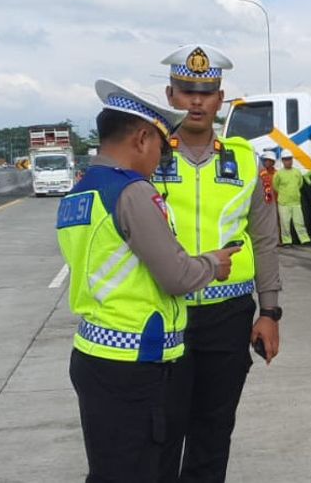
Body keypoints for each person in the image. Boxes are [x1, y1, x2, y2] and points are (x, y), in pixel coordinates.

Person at [58, 79, 240, 483]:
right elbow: (176, 275)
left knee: (111, 470)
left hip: (96, 354)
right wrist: (212, 263)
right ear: (142, 139)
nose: (161, 159)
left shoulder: (81, 191)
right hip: (136, 365)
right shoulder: (133, 192)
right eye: (161, 146)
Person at [155, 44, 283, 482]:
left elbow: (266, 240)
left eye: (206, 92)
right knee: (163, 429)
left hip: (227, 316)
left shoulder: (246, 161)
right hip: (164, 311)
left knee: (213, 430)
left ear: (220, 98)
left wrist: (269, 312)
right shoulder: (149, 156)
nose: (196, 101)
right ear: (170, 95)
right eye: (186, 90)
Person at [273, 153, 309, 246]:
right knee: (285, 224)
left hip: (296, 202)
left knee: (299, 222)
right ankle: (287, 241)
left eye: (289, 159)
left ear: (292, 160)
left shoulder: (297, 172)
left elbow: (300, 184)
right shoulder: (279, 173)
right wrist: (283, 193)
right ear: (283, 161)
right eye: (286, 159)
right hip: (283, 203)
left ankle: (304, 239)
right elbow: (275, 186)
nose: (288, 161)